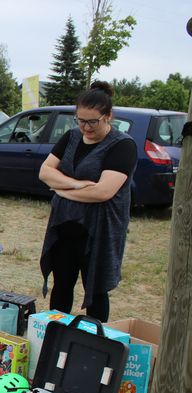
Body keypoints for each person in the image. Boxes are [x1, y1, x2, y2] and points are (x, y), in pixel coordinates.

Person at [38, 81, 137, 322]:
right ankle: (56, 335)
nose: (86, 127)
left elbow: (103, 192)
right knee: (62, 284)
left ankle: (95, 340)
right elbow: (45, 171)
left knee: (96, 291)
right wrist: (76, 184)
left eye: (93, 122)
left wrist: (61, 190)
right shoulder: (72, 137)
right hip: (65, 226)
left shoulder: (123, 146)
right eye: (80, 120)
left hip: (99, 230)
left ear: (108, 116)